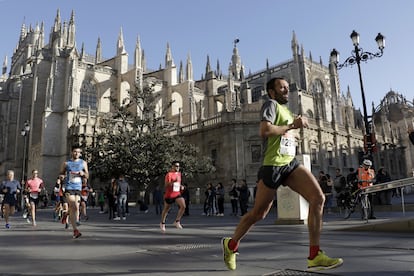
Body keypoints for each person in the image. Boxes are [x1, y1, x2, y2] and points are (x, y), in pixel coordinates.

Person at [221, 77, 343, 271]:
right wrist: (292, 126)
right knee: (258, 214)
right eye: (282, 87)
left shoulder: (286, 110)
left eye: (287, 87)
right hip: (272, 165)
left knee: (318, 197)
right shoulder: (270, 104)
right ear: (272, 91)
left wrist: (297, 127)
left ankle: (314, 255)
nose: (286, 90)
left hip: (290, 164)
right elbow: (265, 129)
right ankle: (231, 244)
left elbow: (286, 134)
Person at [60, 145, 89, 238]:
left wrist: (83, 174)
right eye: (75, 152)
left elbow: (87, 175)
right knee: (73, 204)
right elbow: (61, 173)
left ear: (80, 153)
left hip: (78, 188)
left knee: (76, 208)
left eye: (78, 152)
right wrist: (62, 176)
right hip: (69, 187)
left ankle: (66, 213)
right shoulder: (66, 163)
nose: (77, 153)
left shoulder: (83, 163)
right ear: (72, 152)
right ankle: (75, 230)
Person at [159, 161, 186, 232]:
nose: (178, 168)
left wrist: (181, 186)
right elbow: (166, 185)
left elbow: (178, 183)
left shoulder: (179, 174)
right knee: (166, 210)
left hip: (177, 193)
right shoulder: (169, 174)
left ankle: (177, 221)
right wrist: (173, 182)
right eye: (176, 166)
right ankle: (162, 223)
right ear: (173, 166)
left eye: (178, 166)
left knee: (183, 206)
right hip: (169, 194)